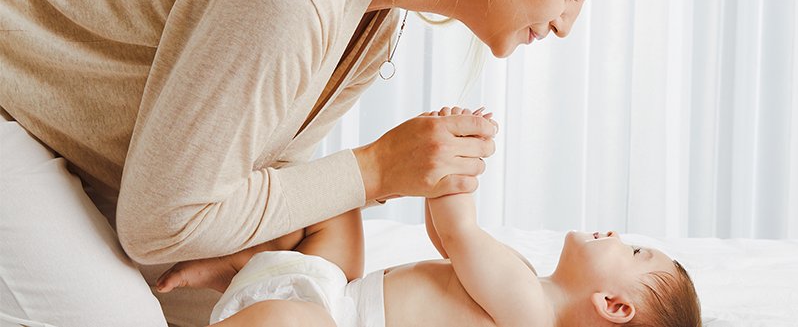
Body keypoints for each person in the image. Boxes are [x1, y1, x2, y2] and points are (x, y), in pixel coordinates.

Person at [0, 0, 633, 326]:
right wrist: (376, 169)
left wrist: (258, 248)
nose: (565, 24)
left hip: (84, 146)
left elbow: (254, 165)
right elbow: (160, 225)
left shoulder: (376, 19)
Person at [158, 108, 701, 327]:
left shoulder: (531, 312)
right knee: (337, 203)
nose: (616, 235)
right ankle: (242, 264)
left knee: (297, 322)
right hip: (336, 294)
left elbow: (458, 227)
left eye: (632, 251)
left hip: (329, 320)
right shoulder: (521, 280)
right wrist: (437, 187)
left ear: (614, 305)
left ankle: (247, 275)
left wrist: (454, 160)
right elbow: (445, 239)